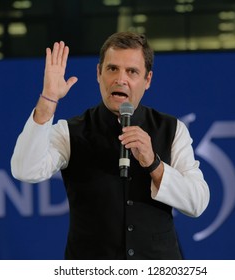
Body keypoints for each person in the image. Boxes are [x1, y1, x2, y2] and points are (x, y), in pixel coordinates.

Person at [11, 31, 210, 260]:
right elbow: (25, 170)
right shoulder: (71, 131)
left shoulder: (172, 129)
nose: (120, 79)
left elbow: (198, 203)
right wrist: (48, 101)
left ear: (148, 80)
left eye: (132, 71)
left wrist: (154, 164)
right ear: (98, 73)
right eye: (112, 69)